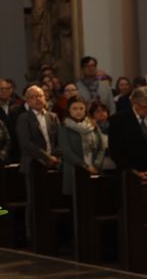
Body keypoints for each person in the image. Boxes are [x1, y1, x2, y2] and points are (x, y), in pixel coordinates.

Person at [15, 85, 61, 241]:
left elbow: (58, 141)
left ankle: (51, 234)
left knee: (51, 200)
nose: (38, 99)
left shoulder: (53, 116)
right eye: (33, 97)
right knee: (33, 200)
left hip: (52, 165)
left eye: (40, 96)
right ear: (27, 100)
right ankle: (31, 235)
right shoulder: (23, 118)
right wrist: (47, 158)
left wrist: (54, 157)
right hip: (33, 164)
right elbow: (26, 143)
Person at [108, 85, 147, 182]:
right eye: (144, 107)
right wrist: (133, 171)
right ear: (133, 102)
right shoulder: (118, 120)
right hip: (128, 176)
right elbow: (115, 150)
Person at [60, 98, 107, 195]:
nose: (78, 111)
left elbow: (101, 147)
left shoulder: (93, 125)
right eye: (75, 108)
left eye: (81, 108)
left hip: (94, 168)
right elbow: (66, 151)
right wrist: (85, 166)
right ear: (69, 110)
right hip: (75, 169)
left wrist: (96, 164)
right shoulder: (65, 128)